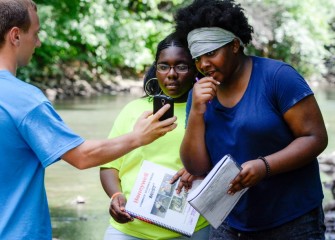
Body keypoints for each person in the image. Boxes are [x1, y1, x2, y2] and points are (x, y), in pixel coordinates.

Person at [0, 1, 177, 239]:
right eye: (36, 33)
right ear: (15, 36)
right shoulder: (24, 99)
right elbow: (81, 156)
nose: (39, 42)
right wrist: (138, 137)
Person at [175, 0, 329, 239]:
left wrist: (264, 166)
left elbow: (315, 137)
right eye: (197, 58)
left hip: (291, 218)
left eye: (211, 53)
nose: (203, 64)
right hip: (229, 219)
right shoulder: (199, 94)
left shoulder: (278, 77)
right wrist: (196, 111)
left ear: (235, 45)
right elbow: (197, 168)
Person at [100, 32, 209, 240]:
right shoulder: (134, 109)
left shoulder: (207, 110)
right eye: (163, 66)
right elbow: (109, 165)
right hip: (130, 230)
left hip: (191, 230)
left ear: (196, 67)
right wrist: (116, 195)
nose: (171, 74)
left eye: (182, 66)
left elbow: (227, 164)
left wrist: (198, 170)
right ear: (155, 69)